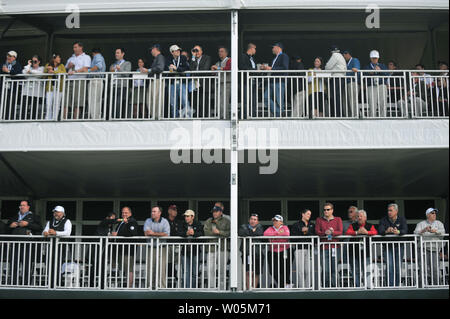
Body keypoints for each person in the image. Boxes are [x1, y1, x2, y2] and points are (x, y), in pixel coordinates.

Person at [7, 200, 42, 285]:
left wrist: (27, 224)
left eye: (23, 205)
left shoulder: (34, 217)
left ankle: (26, 284)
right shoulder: (14, 216)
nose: (21, 207)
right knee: (14, 265)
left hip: (28, 245)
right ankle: (13, 283)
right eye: (20, 205)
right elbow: (6, 229)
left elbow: (40, 228)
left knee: (27, 265)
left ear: (28, 207)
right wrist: (10, 226)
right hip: (15, 245)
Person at [378, 203, 408, 287]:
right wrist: (386, 231)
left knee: (398, 267)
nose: (389, 212)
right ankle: (390, 286)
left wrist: (398, 232)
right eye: (388, 210)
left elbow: (405, 230)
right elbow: (380, 230)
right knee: (389, 266)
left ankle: (397, 285)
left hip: (399, 246)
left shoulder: (402, 219)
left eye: (391, 210)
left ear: (396, 211)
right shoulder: (383, 220)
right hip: (387, 247)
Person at [345, 209, 378, 287]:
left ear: (365, 218)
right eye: (358, 216)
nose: (359, 218)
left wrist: (367, 233)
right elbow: (347, 232)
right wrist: (357, 232)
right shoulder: (353, 225)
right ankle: (358, 286)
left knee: (367, 270)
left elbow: (375, 232)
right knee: (355, 270)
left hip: (366, 252)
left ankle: (367, 286)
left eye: (361, 216)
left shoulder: (370, 225)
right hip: (353, 252)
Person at [414, 208, 446, 286]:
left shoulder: (439, 223)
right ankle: (422, 286)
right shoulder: (421, 224)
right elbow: (415, 233)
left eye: (435, 213)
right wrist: (424, 230)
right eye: (432, 213)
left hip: (435, 249)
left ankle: (437, 285)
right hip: (423, 248)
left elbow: (443, 232)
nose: (434, 214)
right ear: (427, 215)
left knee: (435, 268)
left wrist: (435, 231)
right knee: (423, 268)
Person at [315, 202, 343, 288]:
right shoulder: (319, 220)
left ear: (332, 210)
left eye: (328, 209)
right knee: (326, 269)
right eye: (324, 210)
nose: (326, 211)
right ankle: (325, 287)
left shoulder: (338, 219)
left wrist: (332, 232)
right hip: (323, 248)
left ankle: (335, 286)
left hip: (335, 247)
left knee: (334, 269)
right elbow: (317, 232)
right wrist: (325, 233)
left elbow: (340, 231)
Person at [111, 206, 139, 288]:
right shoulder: (121, 222)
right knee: (121, 268)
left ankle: (129, 287)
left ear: (130, 213)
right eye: (123, 212)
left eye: (126, 212)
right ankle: (122, 285)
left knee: (129, 269)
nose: (124, 214)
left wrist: (117, 234)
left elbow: (132, 233)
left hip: (128, 250)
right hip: (119, 249)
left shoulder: (132, 221)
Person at [203, 205, 230, 290]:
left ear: (221, 212)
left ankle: (222, 288)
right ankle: (212, 287)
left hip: (223, 248)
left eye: (216, 211)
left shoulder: (226, 221)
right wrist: (216, 233)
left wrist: (219, 232)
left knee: (222, 269)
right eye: (213, 212)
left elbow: (229, 232)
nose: (214, 213)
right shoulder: (209, 221)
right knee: (210, 269)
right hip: (211, 248)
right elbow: (206, 232)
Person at [144, 206, 170, 289]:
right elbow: (146, 233)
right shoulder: (148, 220)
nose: (152, 213)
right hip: (150, 247)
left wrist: (153, 233)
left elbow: (166, 234)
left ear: (159, 213)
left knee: (162, 268)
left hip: (162, 248)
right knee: (150, 267)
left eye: (154, 211)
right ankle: (150, 287)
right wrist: (158, 234)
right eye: (152, 211)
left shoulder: (165, 221)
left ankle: (161, 287)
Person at [263, 214, 293, 289]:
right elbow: (265, 234)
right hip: (273, 251)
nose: (275, 222)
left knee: (284, 269)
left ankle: (284, 285)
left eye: (277, 221)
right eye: (274, 220)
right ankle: (284, 285)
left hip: (284, 251)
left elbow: (286, 234)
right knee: (273, 271)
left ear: (281, 222)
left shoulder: (285, 227)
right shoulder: (270, 228)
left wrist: (273, 236)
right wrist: (278, 234)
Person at [261, 42, 289, 117]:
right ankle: (279, 113)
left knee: (279, 100)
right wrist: (266, 68)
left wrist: (271, 68)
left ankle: (279, 114)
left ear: (278, 48)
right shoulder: (274, 58)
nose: (272, 49)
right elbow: (273, 69)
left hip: (279, 81)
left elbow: (284, 68)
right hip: (272, 81)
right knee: (265, 97)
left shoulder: (284, 56)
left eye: (273, 47)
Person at [64, 41, 92, 119]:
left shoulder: (86, 57)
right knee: (65, 101)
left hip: (80, 81)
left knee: (78, 102)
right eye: (74, 47)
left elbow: (86, 69)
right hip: (69, 81)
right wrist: (68, 66)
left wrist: (75, 71)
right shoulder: (71, 58)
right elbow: (65, 69)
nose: (74, 49)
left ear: (81, 47)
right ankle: (64, 119)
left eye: (76, 47)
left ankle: (75, 119)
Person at [179, 209, 204, 288]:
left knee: (194, 272)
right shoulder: (182, 224)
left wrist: (194, 234)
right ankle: (186, 289)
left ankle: (193, 288)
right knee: (185, 271)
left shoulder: (198, 224)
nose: (186, 218)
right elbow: (178, 232)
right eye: (185, 216)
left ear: (192, 217)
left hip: (195, 251)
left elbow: (202, 234)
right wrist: (186, 233)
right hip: (185, 252)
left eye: (187, 216)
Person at [290, 209, 315, 288]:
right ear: (303, 214)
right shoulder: (296, 224)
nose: (309, 216)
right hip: (299, 249)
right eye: (307, 214)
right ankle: (302, 287)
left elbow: (314, 236)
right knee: (300, 270)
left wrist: (307, 232)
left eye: (310, 214)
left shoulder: (312, 225)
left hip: (309, 249)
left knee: (309, 270)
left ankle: (307, 286)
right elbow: (292, 238)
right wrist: (301, 231)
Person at [239, 213, 264, 289]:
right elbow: (242, 233)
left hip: (257, 254)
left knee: (256, 273)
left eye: (255, 219)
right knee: (248, 272)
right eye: (251, 219)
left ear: (258, 221)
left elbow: (259, 233)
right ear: (249, 220)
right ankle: (248, 288)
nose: (253, 221)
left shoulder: (260, 227)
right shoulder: (243, 226)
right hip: (247, 253)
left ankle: (254, 288)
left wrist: (250, 233)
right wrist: (252, 232)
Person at [140, 44, 165, 119]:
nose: (151, 51)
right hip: (154, 80)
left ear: (156, 49)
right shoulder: (157, 58)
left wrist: (148, 70)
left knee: (156, 99)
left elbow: (160, 68)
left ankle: (157, 116)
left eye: (152, 49)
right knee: (151, 99)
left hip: (157, 80)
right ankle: (154, 115)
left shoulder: (160, 57)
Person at [167, 44, 191, 118]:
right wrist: (171, 69)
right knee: (173, 102)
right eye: (176, 50)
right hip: (172, 83)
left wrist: (176, 68)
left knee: (185, 100)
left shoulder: (183, 58)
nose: (178, 52)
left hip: (181, 82)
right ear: (172, 52)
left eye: (178, 50)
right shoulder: (168, 59)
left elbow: (186, 68)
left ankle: (188, 116)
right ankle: (175, 117)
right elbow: (167, 69)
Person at [363, 50, 389, 117]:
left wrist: (380, 71)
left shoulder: (382, 66)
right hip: (371, 86)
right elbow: (363, 75)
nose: (375, 59)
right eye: (373, 58)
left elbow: (387, 75)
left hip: (381, 85)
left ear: (378, 58)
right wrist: (371, 72)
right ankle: (372, 117)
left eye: (376, 58)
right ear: (370, 58)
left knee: (383, 102)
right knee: (372, 103)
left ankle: (383, 117)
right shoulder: (367, 67)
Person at [189, 45, 212, 118]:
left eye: (198, 50)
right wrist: (193, 57)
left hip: (203, 83)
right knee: (195, 101)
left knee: (204, 101)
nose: (196, 52)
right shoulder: (193, 59)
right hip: (195, 84)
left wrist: (196, 72)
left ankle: (205, 117)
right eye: (195, 51)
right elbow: (191, 70)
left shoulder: (207, 58)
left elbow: (205, 70)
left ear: (201, 51)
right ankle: (197, 116)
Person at [109, 48, 132, 119]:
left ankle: (117, 118)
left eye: (118, 53)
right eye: (116, 53)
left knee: (119, 103)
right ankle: (111, 117)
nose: (116, 54)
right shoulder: (113, 64)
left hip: (122, 86)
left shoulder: (127, 63)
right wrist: (111, 72)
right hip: (113, 86)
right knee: (111, 103)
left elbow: (127, 74)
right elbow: (109, 76)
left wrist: (119, 69)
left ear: (122, 54)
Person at [325, 45, 347, 117]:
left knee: (334, 96)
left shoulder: (335, 55)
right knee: (338, 96)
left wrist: (325, 69)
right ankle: (340, 113)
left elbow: (328, 67)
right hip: (342, 78)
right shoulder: (341, 56)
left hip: (336, 78)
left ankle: (336, 114)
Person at [21, 55, 45, 120]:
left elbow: (40, 75)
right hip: (27, 91)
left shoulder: (41, 68)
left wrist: (30, 72)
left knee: (34, 108)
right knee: (24, 107)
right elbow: (23, 73)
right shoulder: (29, 68)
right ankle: (23, 120)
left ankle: (33, 120)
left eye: (35, 61)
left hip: (36, 92)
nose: (34, 63)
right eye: (32, 61)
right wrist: (29, 65)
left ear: (39, 62)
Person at [44, 53, 66, 120]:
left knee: (57, 104)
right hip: (50, 87)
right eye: (58, 57)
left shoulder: (61, 65)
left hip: (59, 87)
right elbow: (43, 74)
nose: (60, 59)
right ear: (54, 58)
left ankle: (55, 118)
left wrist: (54, 71)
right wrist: (48, 70)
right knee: (48, 103)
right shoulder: (48, 65)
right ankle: (48, 118)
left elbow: (64, 73)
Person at [1, 51, 22, 120]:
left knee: (11, 102)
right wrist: (3, 69)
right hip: (3, 87)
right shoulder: (4, 64)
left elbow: (18, 72)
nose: (8, 57)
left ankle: (9, 118)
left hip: (12, 87)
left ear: (14, 57)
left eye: (10, 56)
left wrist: (8, 71)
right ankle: (2, 116)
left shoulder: (17, 64)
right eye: (7, 55)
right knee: (2, 101)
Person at [211, 46, 232, 118]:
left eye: (222, 51)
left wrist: (218, 68)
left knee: (224, 102)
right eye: (219, 51)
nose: (220, 53)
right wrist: (213, 70)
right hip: (218, 84)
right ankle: (219, 116)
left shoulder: (229, 60)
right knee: (218, 101)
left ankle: (225, 117)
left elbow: (229, 69)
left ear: (226, 53)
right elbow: (214, 74)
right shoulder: (218, 63)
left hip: (226, 83)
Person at [239, 43, 258, 118]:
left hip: (253, 81)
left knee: (253, 99)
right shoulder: (243, 56)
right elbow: (242, 67)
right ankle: (243, 115)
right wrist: (255, 70)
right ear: (251, 48)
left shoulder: (252, 58)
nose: (255, 50)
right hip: (245, 81)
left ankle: (252, 114)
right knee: (246, 99)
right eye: (255, 49)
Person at [87, 48, 106, 120]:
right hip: (98, 80)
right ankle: (96, 117)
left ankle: (94, 118)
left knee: (93, 100)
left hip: (95, 79)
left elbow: (99, 65)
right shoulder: (100, 57)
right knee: (97, 100)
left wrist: (88, 70)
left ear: (93, 53)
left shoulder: (97, 56)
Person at [343, 50, 361, 117]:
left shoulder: (354, 60)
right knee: (348, 101)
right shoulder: (346, 63)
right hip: (347, 83)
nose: (344, 57)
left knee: (353, 100)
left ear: (348, 54)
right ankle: (350, 115)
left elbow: (356, 70)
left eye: (344, 55)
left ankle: (355, 115)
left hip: (353, 82)